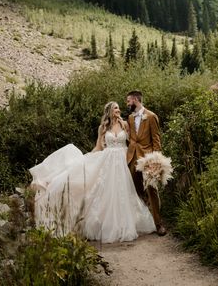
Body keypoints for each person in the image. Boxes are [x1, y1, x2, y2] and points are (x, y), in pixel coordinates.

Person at [29, 101, 155, 243]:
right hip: (108, 161)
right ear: (109, 111)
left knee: (122, 192)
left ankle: (125, 224)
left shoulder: (125, 124)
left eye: (119, 108)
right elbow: (99, 147)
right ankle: (106, 225)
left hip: (122, 161)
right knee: (106, 192)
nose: (118, 110)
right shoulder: (103, 128)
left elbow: (132, 142)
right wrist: (86, 157)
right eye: (115, 108)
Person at [126, 90, 167, 236]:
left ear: (136, 100)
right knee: (136, 190)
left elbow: (156, 140)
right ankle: (144, 220)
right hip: (132, 159)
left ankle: (158, 224)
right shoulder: (130, 118)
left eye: (129, 101)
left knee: (151, 189)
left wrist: (156, 160)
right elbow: (131, 138)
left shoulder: (151, 116)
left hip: (148, 159)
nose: (127, 104)